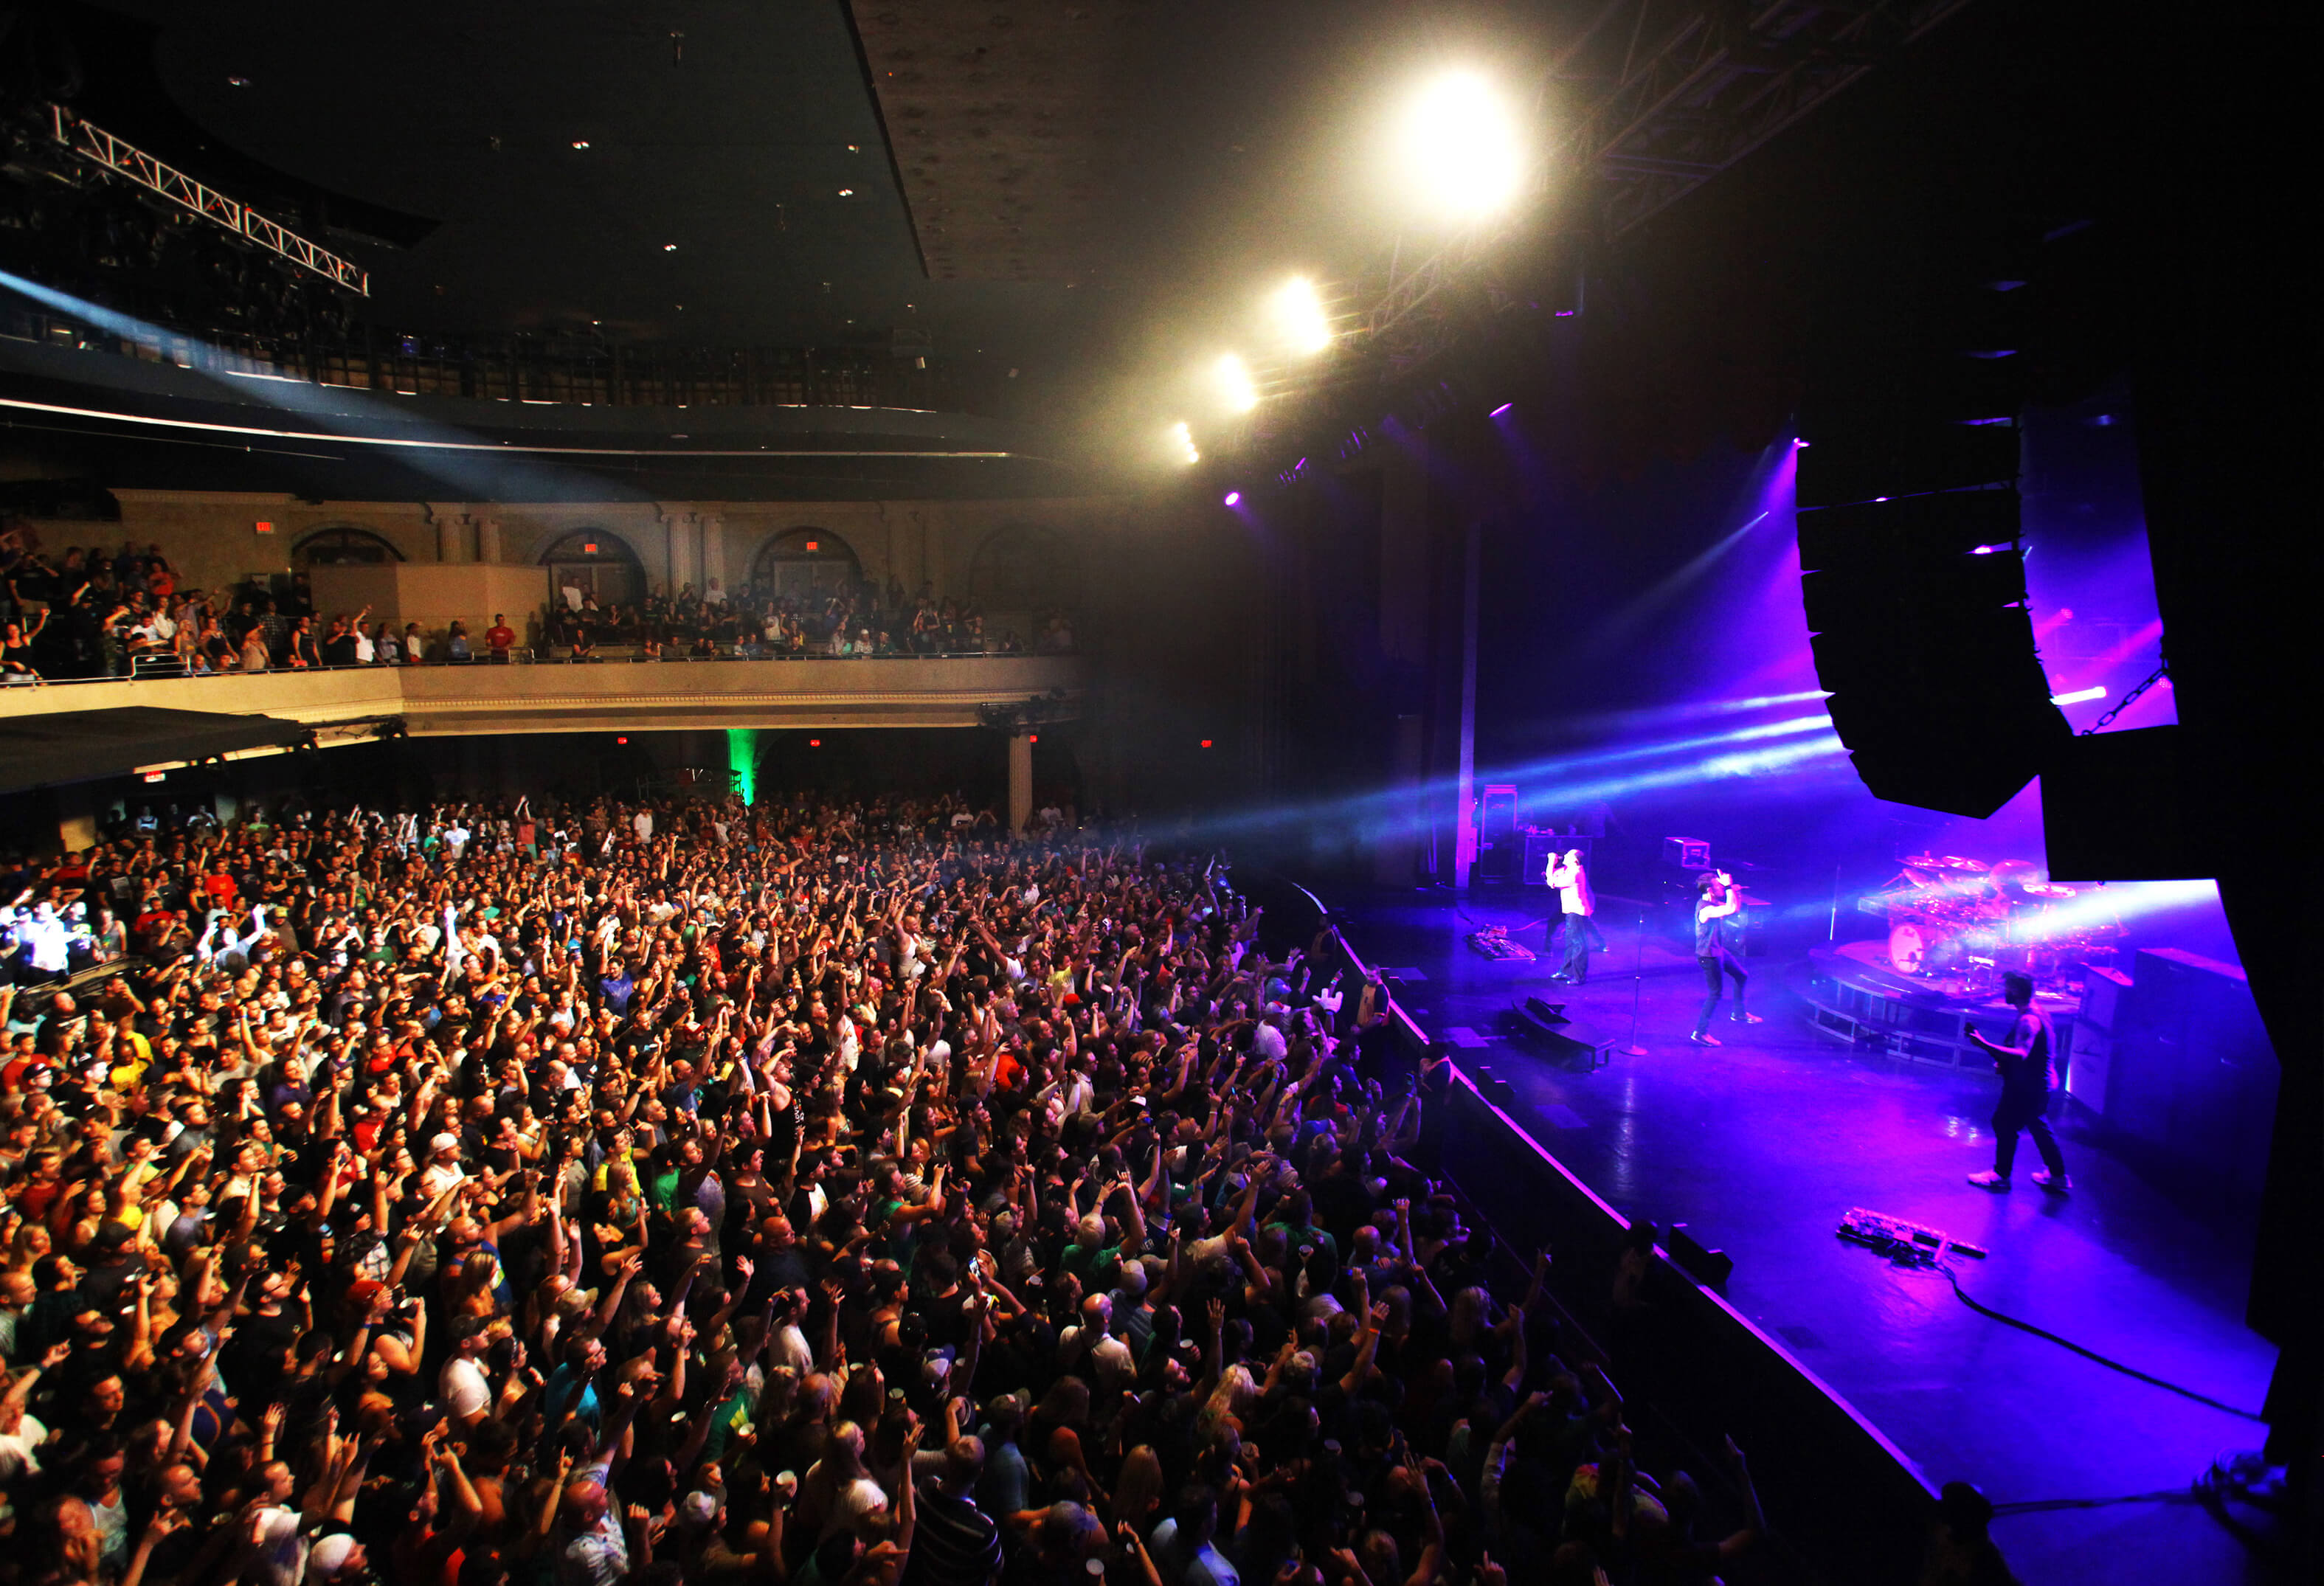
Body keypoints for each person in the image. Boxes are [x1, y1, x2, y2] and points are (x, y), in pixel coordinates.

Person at [1965, 972, 2069, 1193]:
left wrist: (1983, 1044)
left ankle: (2000, 1176)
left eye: (2008, 988)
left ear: (2017, 991)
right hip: (2039, 1082)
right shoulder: (2038, 1012)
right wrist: (2005, 1063)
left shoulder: (2028, 1020)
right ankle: (2058, 1176)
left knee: (2003, 1123)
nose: (2004, 992)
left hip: (2027, 1086)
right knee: (2037, 1124)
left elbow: (2022, 1053)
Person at [1687, 870, 1757, 1045]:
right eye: (1718, 885)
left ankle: (1739, 1013)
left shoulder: (1713, 903)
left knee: (1741, 975)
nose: (1721, 888)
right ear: (1710, 889)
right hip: (1708, 956)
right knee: (1715, 994)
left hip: (1718, 951)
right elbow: (1730, 909)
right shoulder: (1705, 908)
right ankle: (1700, 1033)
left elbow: (1734, 908)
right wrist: (1728, 887)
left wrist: (1735, 892)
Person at [1544, 848, 1601, 984]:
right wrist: (1552, 865)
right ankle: (1566, 971)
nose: (1564, 856)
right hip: (1572, 911)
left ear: (1575, 860)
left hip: (1576, 912)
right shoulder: (1568, 870)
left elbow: (1551, 883)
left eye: (1568, 855)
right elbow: (1551, 876)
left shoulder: (1574, 873)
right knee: (1571, 942)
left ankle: (1579, 976)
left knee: (1578, 944)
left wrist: (1551, 861)